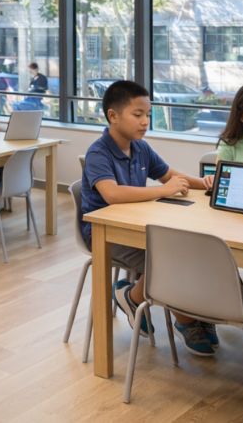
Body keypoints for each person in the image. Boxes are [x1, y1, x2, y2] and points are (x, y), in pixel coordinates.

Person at [80, 79, 215, 355]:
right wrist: (162, 190)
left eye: (148, 115)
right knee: (173, 258)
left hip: (138, 227)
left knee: (190, 251)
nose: (145, 121)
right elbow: (112, 194)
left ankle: (185, 311)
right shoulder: (98, 152)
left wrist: (204, 183)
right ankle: (138, 299)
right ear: (113, 116)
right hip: (105, 233)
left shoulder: (140, 147)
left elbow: (169, 174)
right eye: (138, 115)